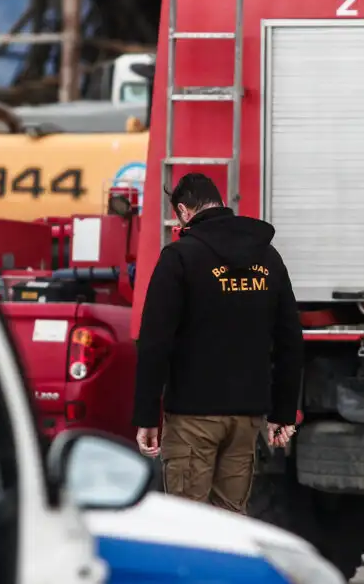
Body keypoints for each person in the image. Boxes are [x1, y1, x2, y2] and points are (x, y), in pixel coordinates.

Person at [132, 172, 304, 514]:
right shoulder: (268, 260)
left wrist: (147, 416)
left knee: (187, 524)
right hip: (246, 417)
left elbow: (155, 342)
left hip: (193, 416)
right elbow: (289, 338)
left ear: (183, 211)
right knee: (230, 524)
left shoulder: (179, 258)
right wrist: (283, 412)